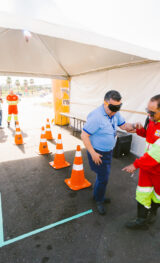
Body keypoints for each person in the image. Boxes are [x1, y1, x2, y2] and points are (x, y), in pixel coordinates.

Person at [81, 90, 135, 215]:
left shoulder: (115, 113)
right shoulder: (96, 116)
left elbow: (124, 126)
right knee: (104, 177)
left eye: (118, 107)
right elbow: (84, 135)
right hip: (98, 152)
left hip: (108, 151)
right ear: (104, 103)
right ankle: (99, 200)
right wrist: (93, 153)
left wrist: (134, 126)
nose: (115, 111)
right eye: (112, 107)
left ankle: (97, 195)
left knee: (102, 176)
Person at [123, 94, 160, 229]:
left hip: (157, 170)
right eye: (147, 111)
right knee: (142, 193)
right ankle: (141, 220)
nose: (149, 115)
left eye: (152, 112)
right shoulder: (150, 120)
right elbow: (147, 135)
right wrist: (139, 129)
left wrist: (135, 164)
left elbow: (156, 154)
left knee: (157, 195)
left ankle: (153, 213)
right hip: (146, 167)